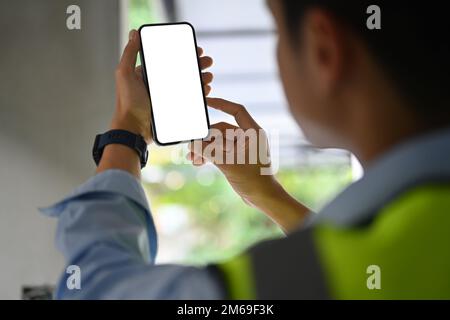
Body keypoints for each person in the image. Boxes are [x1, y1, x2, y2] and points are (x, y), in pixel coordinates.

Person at [42, 0, 450, 299]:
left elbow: (95, 290)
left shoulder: (307, 278)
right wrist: (268, 194)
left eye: (276, 32)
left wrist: (126, 131)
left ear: (324, 48)